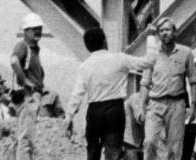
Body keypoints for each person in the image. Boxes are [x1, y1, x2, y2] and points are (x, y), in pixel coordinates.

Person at [63, 26, 151, 160]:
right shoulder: (119, 59)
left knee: (93, 152)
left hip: (94, 111)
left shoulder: (85, 66)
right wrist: (154, 44)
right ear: (104, 41)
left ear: (87, 46)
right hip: (114, 111)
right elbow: (145, 63)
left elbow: (77, 94)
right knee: (113, 152)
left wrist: (69, 117)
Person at [138, 17, 196, 160]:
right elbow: (145, 83)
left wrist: (194, 106)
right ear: (158, 34)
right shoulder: (152, 55)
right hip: (155, 103)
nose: (165, 33)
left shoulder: (186, 53)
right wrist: (141, 106)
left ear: (174, 32)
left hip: (177, 105)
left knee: (175, 147)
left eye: (168, 29)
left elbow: (193, 81)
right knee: (149, 141)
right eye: (161, 30)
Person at [10, 12, 45, 160]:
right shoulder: (23, 46)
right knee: (26, 137)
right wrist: (24, 81)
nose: (37, 31)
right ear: (25, 31)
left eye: (39, 28)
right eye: (33, 29)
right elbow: (13, 61)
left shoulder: (33, 49)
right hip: (28, 96)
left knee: (26, 136)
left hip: (32, 95)